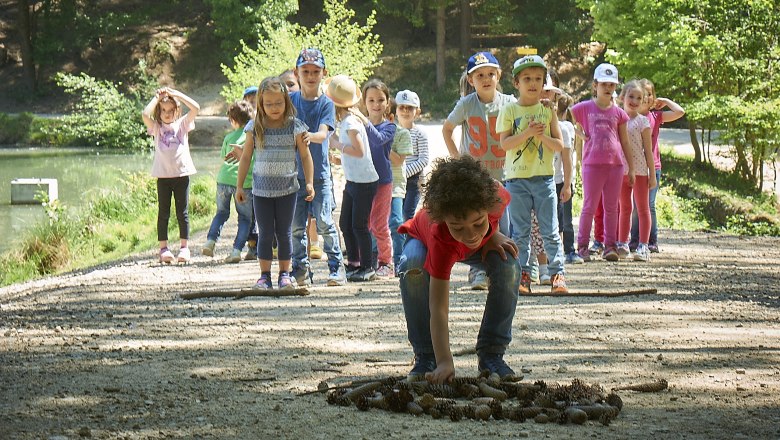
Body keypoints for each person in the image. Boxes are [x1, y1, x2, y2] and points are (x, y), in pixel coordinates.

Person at [397, 155, 520, 384]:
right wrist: (445, 360)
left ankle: (491, 355)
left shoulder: (496, 197)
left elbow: (492, 218)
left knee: (509, 264)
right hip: (423, 241)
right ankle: (427, 356)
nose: (471, 234)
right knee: (412, 266)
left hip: (470, 242)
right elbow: (439, 307)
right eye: (458, 227)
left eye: (478, 223)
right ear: (446, 220)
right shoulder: (441, 236)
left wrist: (492, 233)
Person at [442, 51, 516, 291]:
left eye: (491, 74)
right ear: (471, 79)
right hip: (475, 178)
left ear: (499, 76)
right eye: (480, 75)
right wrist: (458, 160)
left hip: (503, 174)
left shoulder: (509, 103)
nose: (486, 79)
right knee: (475, 225)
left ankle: (502, 271)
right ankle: (477, 273)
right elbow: (447, 129)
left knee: (502, 227)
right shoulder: (466, 104)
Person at [497, 55, 568, 295]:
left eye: (538, 78)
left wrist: (540, 137)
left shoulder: (548, 110)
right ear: (516, 83)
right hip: (516, 181)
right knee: (521, 231)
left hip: (544, 179)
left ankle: (557, 274)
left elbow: (558, 144)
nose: (533, 83)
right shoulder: (508, 109)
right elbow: (505, 144)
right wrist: (527, 133)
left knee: (550, 230)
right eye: (527, 78)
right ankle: (522, 274)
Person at [235, 76, 315, 290]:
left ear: (286, 101)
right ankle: (264, 276)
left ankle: (284, 275)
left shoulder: (295, 127)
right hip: (261, 191)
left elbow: (306, 157)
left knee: (284, 233)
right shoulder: (255, 127)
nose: (274, 107)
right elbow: (245, 157)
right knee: (265, 233)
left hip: (288, 189)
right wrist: (240, 186)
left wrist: (309, 182)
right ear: (260, 104)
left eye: (278, 102)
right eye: (268, 103)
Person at [289, 48, 346, 286]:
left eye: (315, 71)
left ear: (324, 73)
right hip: (292, 175)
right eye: (306, 71)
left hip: (320, 175)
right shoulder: (289, 101)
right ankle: (300, 270)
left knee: (324, 222)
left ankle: (336, 268)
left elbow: (323, 134)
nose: (311, 76)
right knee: (295, 226)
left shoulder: (326, 104)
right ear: (297, 73)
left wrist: (307, 136)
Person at [570, 63, 634, 262]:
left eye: (612, 85)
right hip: (592, 165)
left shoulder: (619, 113)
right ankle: (582, 246)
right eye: (604, 84)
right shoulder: (584, 108)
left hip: (615, 166)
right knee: (589, 205)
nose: (608, 88)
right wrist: (578, 132)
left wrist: (630, 168)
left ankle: (610, 246)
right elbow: (564, 116)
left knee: (612, 206)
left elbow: (624, 141)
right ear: (595, 85)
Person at [326, 74, 379, 282]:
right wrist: (339, 159)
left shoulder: (350, 123)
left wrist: (338, 145)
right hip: (353, 180)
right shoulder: (347, 122)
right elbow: (353, 154)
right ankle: (354, 262)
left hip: (364, 183)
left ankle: (368, 267)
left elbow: (359, 151)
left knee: (359, 225)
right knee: (345, 223)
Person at [141, 87, 200, 264]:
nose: (167, 114)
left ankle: (184, 248)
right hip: (163, 177)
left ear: (176, 111)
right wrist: (156, 98)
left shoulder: (182, 124)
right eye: (163, 110)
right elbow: (145, 115)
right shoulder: (157, 128)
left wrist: (176, 94)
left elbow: (196, 108)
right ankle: (164, 249)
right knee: (163, 212)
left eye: (170, 110)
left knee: (182, 212)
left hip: (182, 175)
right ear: (159, 111)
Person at [629, 79, 685, 253]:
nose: (646, 97)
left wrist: (665, 101)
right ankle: (635, 239)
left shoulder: (656, 116)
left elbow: (680, 112)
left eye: (649, 93)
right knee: (636, 205)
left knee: (649, 204)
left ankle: (651, 240)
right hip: (635, 167)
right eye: (643, 93)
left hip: (654, 167)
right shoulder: (631, 116)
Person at [202, 101, 255, 263]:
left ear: (232, 120)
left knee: (221, 213)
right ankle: (236, 250)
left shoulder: (228, 137)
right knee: (245, 218)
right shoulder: (252, 136)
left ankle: (210, 241)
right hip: (244, 182)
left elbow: (224, 157)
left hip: (223, 179)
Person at [282, 67, 322, 260]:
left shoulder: (310, 106)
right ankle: (300, 264)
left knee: (319, 217)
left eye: (290, 85)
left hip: (317, 172)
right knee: (297, 221)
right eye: (283, 86)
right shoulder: (280, 111)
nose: (286, 89)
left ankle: (316, 244)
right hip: (291, 174)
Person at [617, 80, 657, 262]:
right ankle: (622, 243)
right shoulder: (617, 118)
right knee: (624, 208)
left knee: (643, 208)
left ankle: (643, 245)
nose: (634, 101)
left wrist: (651, 175)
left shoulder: (643, 122)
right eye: (631, 96)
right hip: (620, 171)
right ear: (622, 97)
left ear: (644, 101)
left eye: (639, 98)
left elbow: (648, 150)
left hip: (640, 171)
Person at [362, 79, 397, 277]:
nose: (376, 104)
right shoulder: (359, 125)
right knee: (363, 223)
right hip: (362, 181)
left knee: (379, 225)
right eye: (371, 100)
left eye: (380, 100)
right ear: (364, 102)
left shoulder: (389, 127)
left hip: (382, 182)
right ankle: (365, 261)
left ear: (387, 102)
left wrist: (363, 121)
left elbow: (378, 140)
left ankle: (386, 262)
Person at [554, 93, 583, 264]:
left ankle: (567, 249)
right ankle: (568, 250)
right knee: (564, 217)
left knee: (562, 218)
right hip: (563, 178)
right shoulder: (569, 126)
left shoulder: (566, 127)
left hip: (561, 178)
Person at [389, 97, 413, 275]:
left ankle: (399, 261)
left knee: (397, 221)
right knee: (373, 224)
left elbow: (398, 160)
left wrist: (381, 142)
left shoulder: (402, 134)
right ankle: (379, 261)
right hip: (373, 185)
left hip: (395, 185)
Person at [397, 90, 428, 222]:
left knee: (407, 215)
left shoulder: (419, 133)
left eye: (410, 108)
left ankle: (408, 241)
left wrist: (405, 172)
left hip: (413, 182)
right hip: (396, 181)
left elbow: (424, 159)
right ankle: (397, 242)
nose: (405, 111)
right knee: (396, 214)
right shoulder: (392, 132)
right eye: (401, 107)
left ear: (417, 112)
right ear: (395, 110)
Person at [242, 85, 260, 261]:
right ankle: (253, 246)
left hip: (264, 173)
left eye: (255, 98)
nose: (253, 101)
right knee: (251, 214)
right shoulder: (245, 124)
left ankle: (274, 244)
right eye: (249, 99)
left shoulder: (266, 119)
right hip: (250, 177)